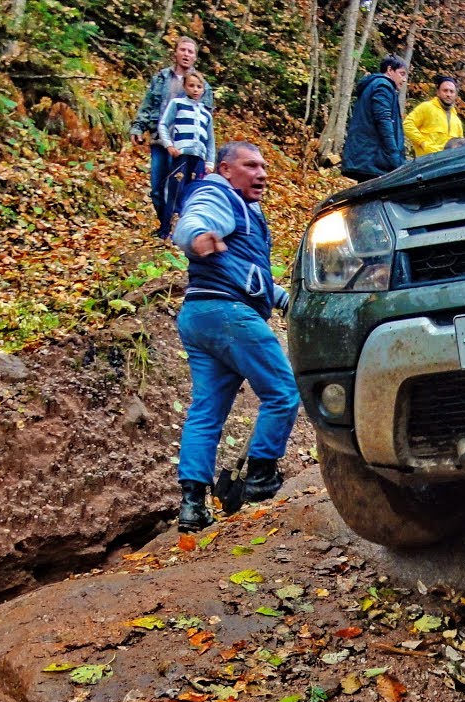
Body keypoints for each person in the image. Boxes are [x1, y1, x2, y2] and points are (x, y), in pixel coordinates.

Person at [170, 141, 299, 532]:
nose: (262, 173)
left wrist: (288, 301)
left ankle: (193, 506)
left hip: (199, 314)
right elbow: (193, 220)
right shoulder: (217, 192)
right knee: (282, 392)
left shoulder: (246, 208)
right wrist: (198, 236)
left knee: (206, 412)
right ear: (226, 169)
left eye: (264, 166)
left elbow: (248, 275)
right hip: (229, 315)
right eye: (251, 166)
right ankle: (260, 479)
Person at [130, 36, 215, 237]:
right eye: (183, 50)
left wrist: (208, 156)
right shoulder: (161, 78)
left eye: (191, 52)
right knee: (158, 188)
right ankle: (164, 224)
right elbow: (148, 105)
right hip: (161, 141)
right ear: (175, 52)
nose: (186, 54)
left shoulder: (202, 85)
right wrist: (138, 127)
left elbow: (207, 120)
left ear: (195, 57)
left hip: (187, 149)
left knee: (181, 188)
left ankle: (173, 228)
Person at [156, 70, 216, 237]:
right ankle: (166, 229)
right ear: (184, 86)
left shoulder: (206, 113)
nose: (195, 90)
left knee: (193, 192)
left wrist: (210, 162)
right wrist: (169, 145)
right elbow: (163, 125)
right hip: (181, 155)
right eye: (191, 86)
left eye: (199, 86)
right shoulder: (177, 104)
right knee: (175, 190)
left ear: (204, 89)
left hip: (199, 160)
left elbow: (210, 140)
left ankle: (186, 231)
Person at [340, 55, 407, 182]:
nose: (404, 79)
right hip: (374, 159)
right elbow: (383, 121)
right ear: (390, 70)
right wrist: (394, 155)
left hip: (367, 157)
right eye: (401, 74)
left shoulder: (373, 85)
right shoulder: (383, 85)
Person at [403, 76, 464, 158]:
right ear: (438, 92)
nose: (448, 94)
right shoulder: (427, 107)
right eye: (445, 90)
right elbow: (407, 124)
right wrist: (422, 142)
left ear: (455, 95)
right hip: (426, 162)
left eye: (451, 91)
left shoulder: (456, 120)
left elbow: (460, 144)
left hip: (447, 164)